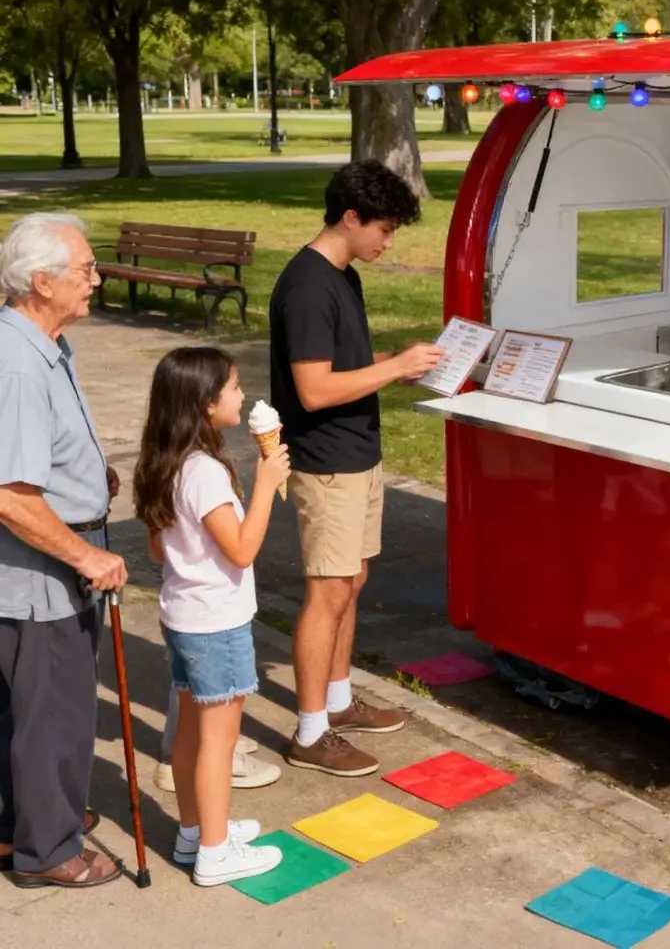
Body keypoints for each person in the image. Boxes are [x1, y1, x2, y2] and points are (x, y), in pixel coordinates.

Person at [269, 160, 444, 776]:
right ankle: (310, 732)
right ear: (350, 217)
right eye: (385, 229)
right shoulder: (308, 287)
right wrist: (395, 369)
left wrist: (395, 356)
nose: (388, 243)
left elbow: (341, 361)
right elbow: (314, 390)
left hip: (357, 453)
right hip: (326, 461)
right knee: (328, 591)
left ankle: (338, 702)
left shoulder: (343, 276)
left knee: (352, 580)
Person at [0, 212, 126, 888]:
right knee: (55, 712)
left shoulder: (44, 341)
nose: (96, 279)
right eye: (85, 270)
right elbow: (11, 496)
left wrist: (88, 476)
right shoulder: (20, 363)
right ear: (42, 282)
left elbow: (41, 453)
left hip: (51, 555)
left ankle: (23, 821)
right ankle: (49, 849)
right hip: (42, 571)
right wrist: (85, 555)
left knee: (25, 708)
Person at [133, 347, 288, 886]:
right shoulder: (203, 472)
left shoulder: (165, 461)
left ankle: (195, 832)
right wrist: (265, 485)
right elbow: (242, 550)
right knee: (218, 743)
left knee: (189, 735)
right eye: (235, 387)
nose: (242, 396)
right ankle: (216, 853)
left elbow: (158, 550)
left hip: (182, 616)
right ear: (206, 403)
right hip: (216, 623)